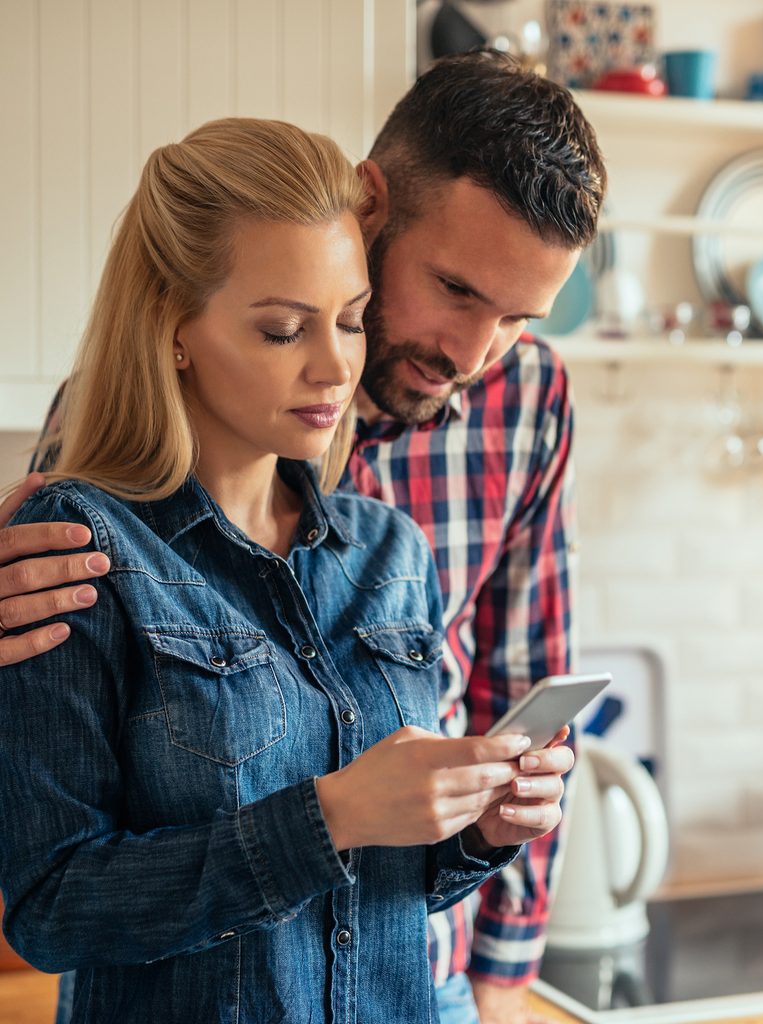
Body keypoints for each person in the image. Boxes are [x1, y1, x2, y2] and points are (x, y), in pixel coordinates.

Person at [0, 49, 606, 1024]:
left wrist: (491, 869)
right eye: (454, 289)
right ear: (371, 207)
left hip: (420, 986)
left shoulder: (425, 509)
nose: (473, 354)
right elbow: (55, 881)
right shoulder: (93, 515)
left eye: (516, 319)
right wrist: (330, 818)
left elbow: (515, 683)